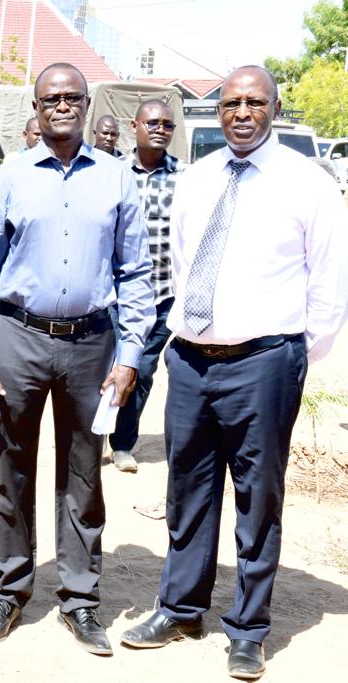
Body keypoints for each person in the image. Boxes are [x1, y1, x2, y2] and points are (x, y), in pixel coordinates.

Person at [120, 66, 348, 680]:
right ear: (218, 111)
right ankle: (181, 608)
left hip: (265, 363)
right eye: (231, 103)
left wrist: (292, 357)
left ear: (275, 107)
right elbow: (181, 263)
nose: (242, 112)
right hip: (191, 360)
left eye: (254, 102)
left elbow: (329, 286)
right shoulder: (196, 178)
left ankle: (247, 629)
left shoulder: (309, 184)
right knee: (186, 493)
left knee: (258, 497)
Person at [0, 63, 153, 655]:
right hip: (18, 337)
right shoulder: (11, 177)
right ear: (37, 108)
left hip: (92, 343)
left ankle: (79, 599)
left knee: (83, 471)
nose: (63, 106)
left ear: (89, 102)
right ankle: (8, 591)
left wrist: (129, 356)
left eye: (73, 97)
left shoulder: (117, 178)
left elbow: (138, 273)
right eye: (52, 99)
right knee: (9, 467)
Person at [108, 99, 186, 473]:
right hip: (113, 293)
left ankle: (123, 443)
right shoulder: (113, 172)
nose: (160, 129)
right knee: (104, 368)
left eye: (168, 125)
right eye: (153, 122)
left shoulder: (185, 178)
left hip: (162, 295)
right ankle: (90, 440)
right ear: (134, 124)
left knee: (141, 370)